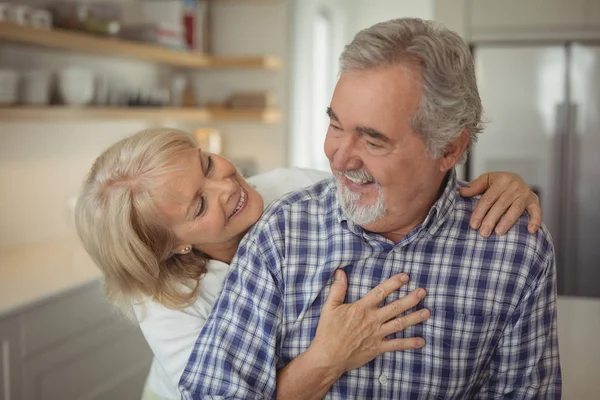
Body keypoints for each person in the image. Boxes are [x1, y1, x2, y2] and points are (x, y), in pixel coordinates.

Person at [179, 18, 561, 400]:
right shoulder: (281, 233)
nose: (340, 158)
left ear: (450, 148)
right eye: (336, 125)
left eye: (373, 141)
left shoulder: (515, 251)